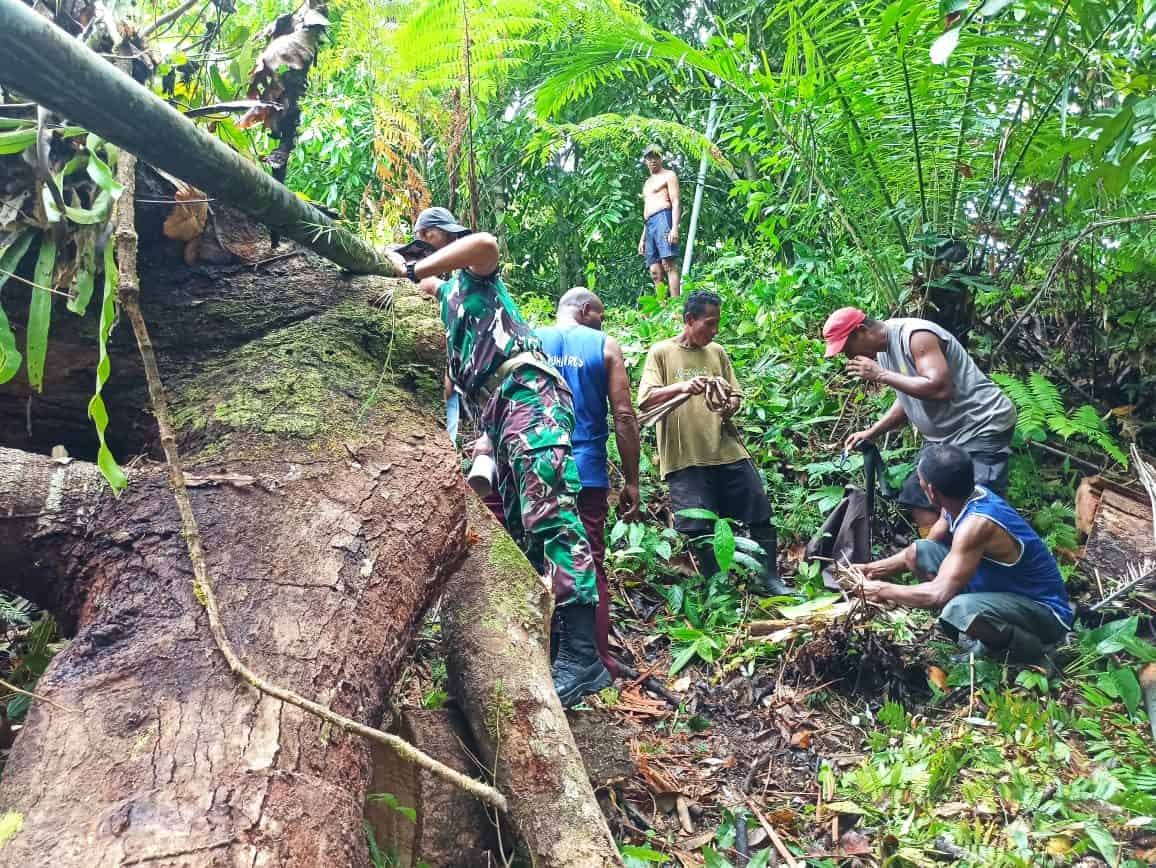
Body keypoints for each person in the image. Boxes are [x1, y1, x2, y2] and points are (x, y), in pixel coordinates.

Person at [385, 207, 611, 707]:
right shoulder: (447, 309)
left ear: (434, 245)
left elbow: (485, 243)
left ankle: (583, 655)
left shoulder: (472, 281)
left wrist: (412, 270)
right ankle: (556, 647)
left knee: (551, 515)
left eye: (424, 254)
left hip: (528, 393)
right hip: (498, 411)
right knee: (525, 528)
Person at [855, 444, 1072, 663]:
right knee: (919, 552)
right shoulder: (959, 499)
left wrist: (882, 589)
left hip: (1045, 613)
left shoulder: (976, 524)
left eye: (920, 481)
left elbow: (937, 594)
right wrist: (871, 569)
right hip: (1001, 589)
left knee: (958, 610)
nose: (918, 485)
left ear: (931, 491)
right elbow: (925, 547)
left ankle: (1031, 651)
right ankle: (975, 630)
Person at [637, 291, 787, 594]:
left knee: (758, 508)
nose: (714, 330)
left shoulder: (716, 352)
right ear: (689, 320)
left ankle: (768, 578)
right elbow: (646, 400)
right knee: (697, 526)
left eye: (717, 323)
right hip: (685, 455)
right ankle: (717, 588)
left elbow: (735, 396)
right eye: (709, 323)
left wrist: (728, 404)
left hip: (725, 449)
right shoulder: (661, 353)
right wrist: (684, 386)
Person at [822, 307, 1017, 532]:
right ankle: (940, 558)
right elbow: (907, 399)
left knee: (975, 509)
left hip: (980, 425)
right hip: (943, 437)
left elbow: (941, 388)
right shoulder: (882, 351)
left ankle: (985, 559)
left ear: (861, 331)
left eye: (847, 348)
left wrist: (881, 375)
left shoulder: (915, 336)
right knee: (919, 496)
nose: (848, 356)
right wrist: (873, 432)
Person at [536, 287, 642, 679]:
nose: (603, 322)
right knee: (589, 560)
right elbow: (625, 416)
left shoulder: (530, 339)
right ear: (585, 310)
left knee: (542, 557)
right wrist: (632, 479)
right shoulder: (604, 346)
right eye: (600, 314)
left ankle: (551, 655)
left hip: (539, 467)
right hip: (588, 470)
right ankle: (596, 657)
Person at [638, 144, 682, 297]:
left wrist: (674, 228)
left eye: (656, 156)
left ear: (661, 158)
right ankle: (661, 307)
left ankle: (676, 307)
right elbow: (647, 210)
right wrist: (642, 239)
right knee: (655, 271)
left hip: (664, 217)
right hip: (650, 224)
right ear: (646, 161)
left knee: (669, 264)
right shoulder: (647, 183)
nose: (653, 160)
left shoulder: (669, 175)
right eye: (650, 158)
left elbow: (675, 201)